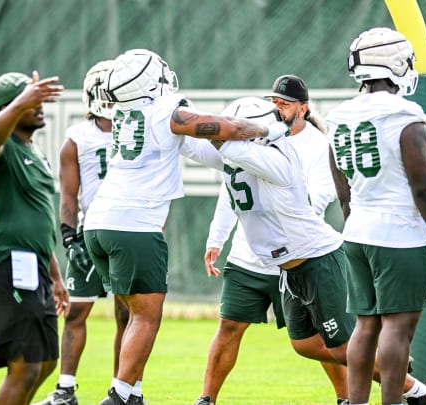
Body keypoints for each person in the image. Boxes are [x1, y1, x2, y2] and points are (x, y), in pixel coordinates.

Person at [83, 48, 289, 405]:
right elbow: (231, 127)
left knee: (136, 315)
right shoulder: (166, 110)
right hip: (134, 223)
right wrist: (273, 128)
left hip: (100, 224)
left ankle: (132, 394)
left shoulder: (126, 112)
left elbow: (200, 149)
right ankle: (118, 395)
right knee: (147, 317)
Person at [193, 90, 348, 405]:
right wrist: (216, 238)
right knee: (229, 326)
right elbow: (230, 190)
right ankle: (207, 398)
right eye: (273, 103)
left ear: (303, 108)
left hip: (297, 255)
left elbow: (319, 196)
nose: (277, 109)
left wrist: (196, 124)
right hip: (249, 255)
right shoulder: (251, 140)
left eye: (285, 104)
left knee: (324, 339)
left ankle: (349, 395)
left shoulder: (312, 145)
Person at [326, 27, 426, 405]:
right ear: (395, 62)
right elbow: (425, 187)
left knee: (366, 326)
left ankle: (357, 402)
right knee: (398, 328)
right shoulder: (405, 113)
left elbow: (342, 188)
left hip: (357, 230)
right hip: (398, 233)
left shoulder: (338, 115)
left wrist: (355, 221)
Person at [34, 61, 129, 405]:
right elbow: (69, 194)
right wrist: (69, 237)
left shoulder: (135, 130)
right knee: (76, 312)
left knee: (127, 315)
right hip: (91, 232)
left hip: (128, 229)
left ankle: (125, 389)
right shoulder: (78, 137)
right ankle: (66, 389)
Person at [0, 70, 69, 405]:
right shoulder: (0, 149)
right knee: (24, 367)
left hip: (35, 267)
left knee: (45, 362)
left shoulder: (36, 153)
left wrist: (56, 276)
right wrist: (18, 104)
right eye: (31, 102)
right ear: (8, 107)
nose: (39, 106)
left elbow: (37, 221)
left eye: (38, 100)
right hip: (4, 264)